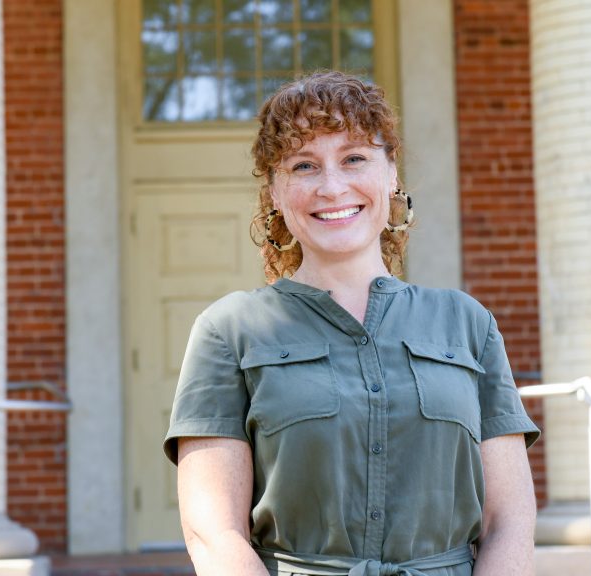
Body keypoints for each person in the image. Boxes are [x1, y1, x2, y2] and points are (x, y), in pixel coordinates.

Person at [163, 71, 540, 576]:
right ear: (275, 191)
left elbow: (510, 520)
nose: (332, 186)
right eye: (304, 165)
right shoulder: (229, 331)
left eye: (354, 158)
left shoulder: (468, 324)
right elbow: (213, 534)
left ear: (391, 175)